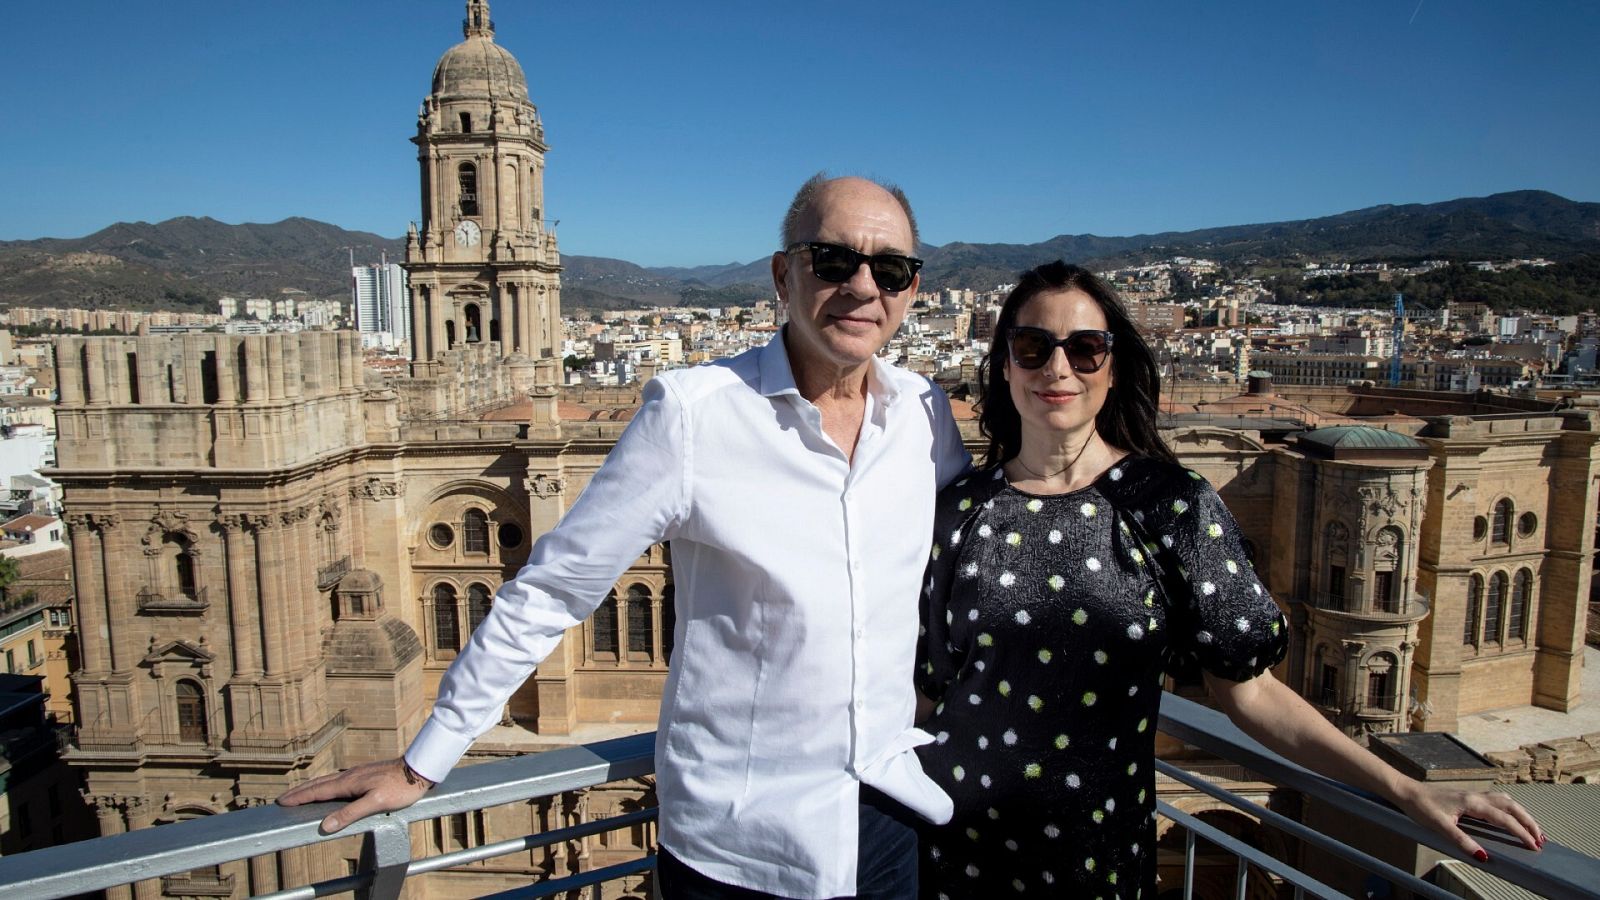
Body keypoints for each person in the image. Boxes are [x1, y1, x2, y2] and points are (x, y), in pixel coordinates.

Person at [279, 174, 971, 900]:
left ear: (912, 291)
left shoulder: (924, 416)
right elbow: (551, 590)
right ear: (781, 273)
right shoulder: (694, 415)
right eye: (833, 261)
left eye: (890, 268)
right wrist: (424, 761)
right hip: (741, 846)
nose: (863, 286)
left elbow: (961, 566)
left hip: (891, 820)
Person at [912, 261, 1543, 897]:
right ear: (1005, 364)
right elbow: (929, 692)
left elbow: (1252, 693)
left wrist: (1400, 787)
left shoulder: (1169, 506)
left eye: (1084, 348)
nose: (1057, 369)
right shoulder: (957, 510)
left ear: (1115, 366)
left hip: (1094, 857)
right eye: (1031, 347)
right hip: (952, 844)